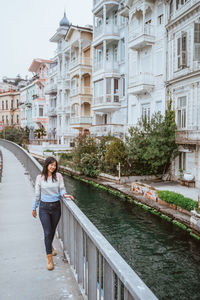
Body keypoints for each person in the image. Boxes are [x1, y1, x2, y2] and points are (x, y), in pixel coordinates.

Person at [32, 156, 74, 270]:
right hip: (44, 208)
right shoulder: (39, 178)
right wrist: (34, 207)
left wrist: (65, 195)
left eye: (55, 165)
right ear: (46, 165)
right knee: (47, 232)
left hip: (56, 207)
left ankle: (50, 245)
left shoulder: (58, 176)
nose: (53, 167)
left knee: (52, 230)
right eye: (51, 165)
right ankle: (49, 260)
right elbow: (37, 194)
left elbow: (62, 189)